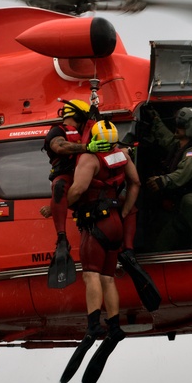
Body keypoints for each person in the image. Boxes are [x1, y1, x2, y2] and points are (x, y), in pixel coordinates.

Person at [66, 119, 140, 354]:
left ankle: (93, 325)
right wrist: (126, 210)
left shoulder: (90, 159)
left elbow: (78, 190)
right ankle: (115, 325)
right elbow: (135, 183)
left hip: (96, 223)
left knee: (91, 275)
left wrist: (60, 205)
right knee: (108, 277)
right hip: (116, 222)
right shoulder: (122, 155)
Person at [40, 99, 108, 288]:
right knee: (60, 186)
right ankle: (62, 238)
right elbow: (59, 146)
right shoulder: (58, 131)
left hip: (86, 178)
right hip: (68, 177)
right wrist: (86, 148)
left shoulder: (88, 132)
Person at [143, 106, 192, 250]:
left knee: (191, 201)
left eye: (181, 126)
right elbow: (166, 137)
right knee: (160, 245)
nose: (177, 127)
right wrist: (155, 119)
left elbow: (182, 174)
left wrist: (163, 180)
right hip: (178, 208)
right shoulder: (178, 147)